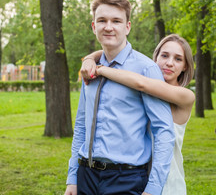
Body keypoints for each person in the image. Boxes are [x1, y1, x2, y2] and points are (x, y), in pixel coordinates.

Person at [64, 0, 175, 195]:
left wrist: (154, 188)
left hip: (127, 179)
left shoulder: (146, 69)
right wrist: (72, 177)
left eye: (116, 21)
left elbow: (163, 131)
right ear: (93, 26)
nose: (108, 27)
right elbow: (81, 125)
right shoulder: (89, 69)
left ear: (127, 27)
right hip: (86, 176)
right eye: (102, 21)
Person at [81, 34, 195, 195]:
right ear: (155, 58)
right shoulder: (142, 88)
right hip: (136, 178)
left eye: (178, 59)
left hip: (168, 182)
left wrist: (100, 69)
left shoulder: (185, 96)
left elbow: (141, 84)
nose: (169, 63)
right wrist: (90, 58)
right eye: (164, 55)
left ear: (185, 66)